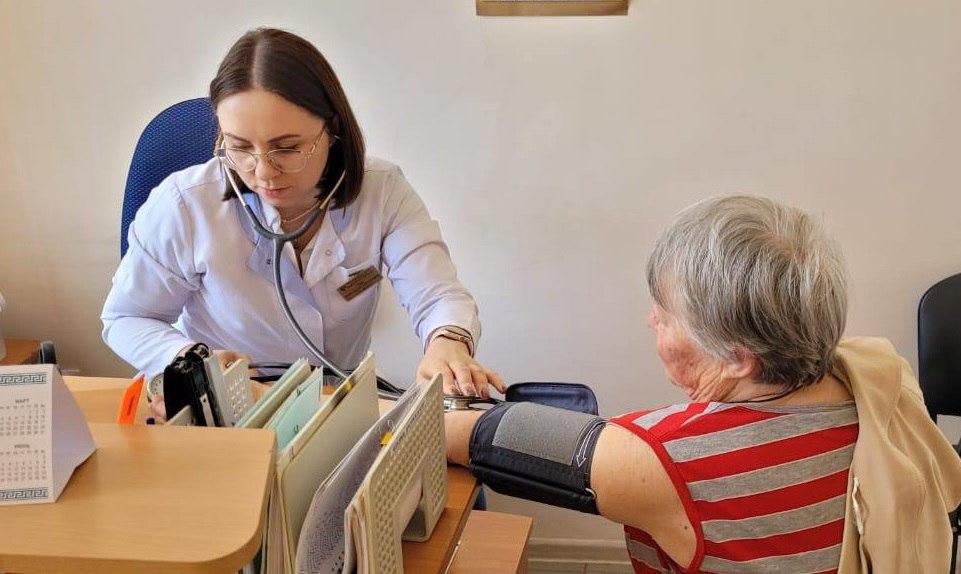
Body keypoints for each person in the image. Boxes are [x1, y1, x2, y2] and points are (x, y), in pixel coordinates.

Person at [446, 195, 961, 573]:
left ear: (738, 357)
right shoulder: (883, 385)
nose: (651, 319)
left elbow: (480, 438)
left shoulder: (668, 458)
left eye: (666, 313)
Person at [101, 28, 504, 413]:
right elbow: (126, 317)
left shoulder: (382, 192)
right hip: (232, 404)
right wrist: (191, 361)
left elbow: (437, 293)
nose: (263, 172)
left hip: (335, 401)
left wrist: (448, 341)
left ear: (332, 129)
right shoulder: (185, 204)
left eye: (288, 148)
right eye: (239, 147)